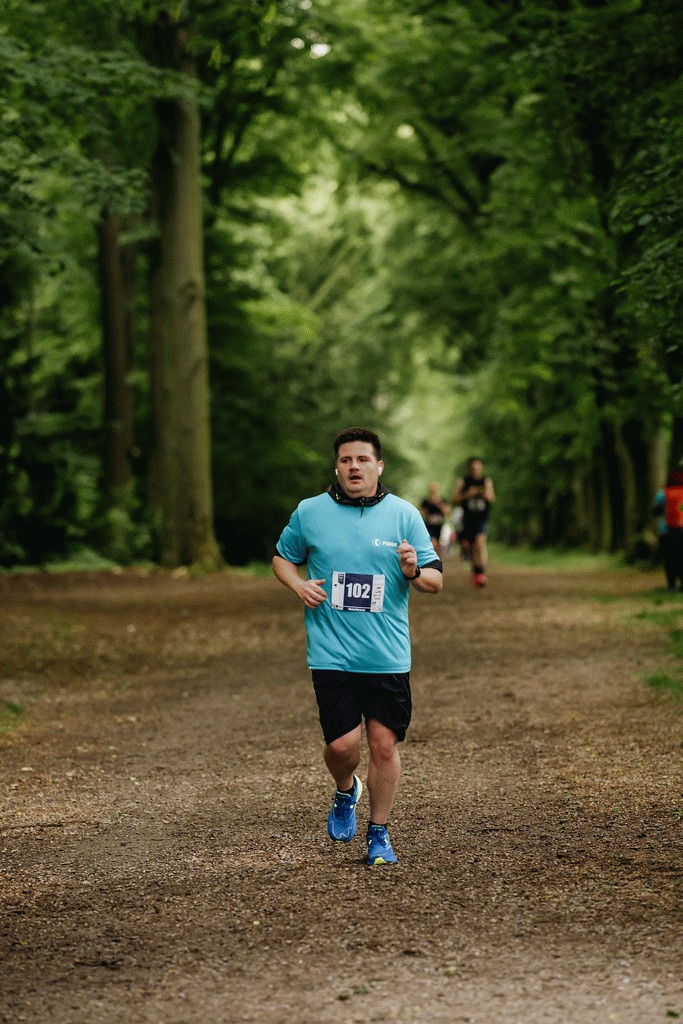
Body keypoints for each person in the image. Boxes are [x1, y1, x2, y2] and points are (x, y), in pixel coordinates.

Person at [272, 427, 443, 865]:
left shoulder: (404, 515)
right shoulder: (310, 512)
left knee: (384, 745)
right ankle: (346, 789)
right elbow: (282, 557)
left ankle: (379, 833)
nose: (354, 467)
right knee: (342, 748)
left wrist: (411, 570)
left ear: (378, 466)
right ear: (337, 467)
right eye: (346, 460)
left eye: (363, 460)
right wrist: (297, 584)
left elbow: (435, 580)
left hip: (387, 654)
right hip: (332, 652)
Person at [451, 456, 495, 587]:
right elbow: (454, 498)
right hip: (467, 520)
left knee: (480, 545)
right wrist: (467, 494)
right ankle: (476, 572)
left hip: (481, 519)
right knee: (471, 548)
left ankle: (481, 573)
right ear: (469, 468)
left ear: (481, 467)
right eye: (472, 467)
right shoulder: (463, 481)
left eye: (477, 466)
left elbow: (491, 498)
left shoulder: (486, 481)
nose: (475, 469)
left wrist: (486, 495)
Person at [653, 466, 683, 591]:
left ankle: (671, 585)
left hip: (665, 531)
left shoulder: (662, 494)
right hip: (681, 531)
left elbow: (655, 511)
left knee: (669, 559)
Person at [420, 481, 449, 559]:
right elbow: (421, 512)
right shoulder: (426, 502)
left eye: (435, 489)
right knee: (433, 543)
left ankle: (438, 560)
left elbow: (447, 511)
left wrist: (439, 505)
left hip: (439, 526)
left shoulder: (442, 501)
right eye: (432, 489)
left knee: (439, 545)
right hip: (429, 526)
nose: (433, 491)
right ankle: (433, 559)